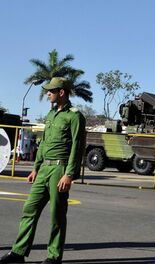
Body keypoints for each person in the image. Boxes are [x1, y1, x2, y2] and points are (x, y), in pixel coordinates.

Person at [0, 77, 86, 264]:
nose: (47, 93)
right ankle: (18, 252)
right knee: (29, 208)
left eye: (51, 90)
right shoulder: (51, 114)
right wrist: (36, 168)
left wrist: (69, 174)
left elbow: (77, 148)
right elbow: (44, 143)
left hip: (60, 168)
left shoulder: (74, 116)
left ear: (61, 92)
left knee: (57, 214)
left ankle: (54, 257)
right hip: (44, 168)